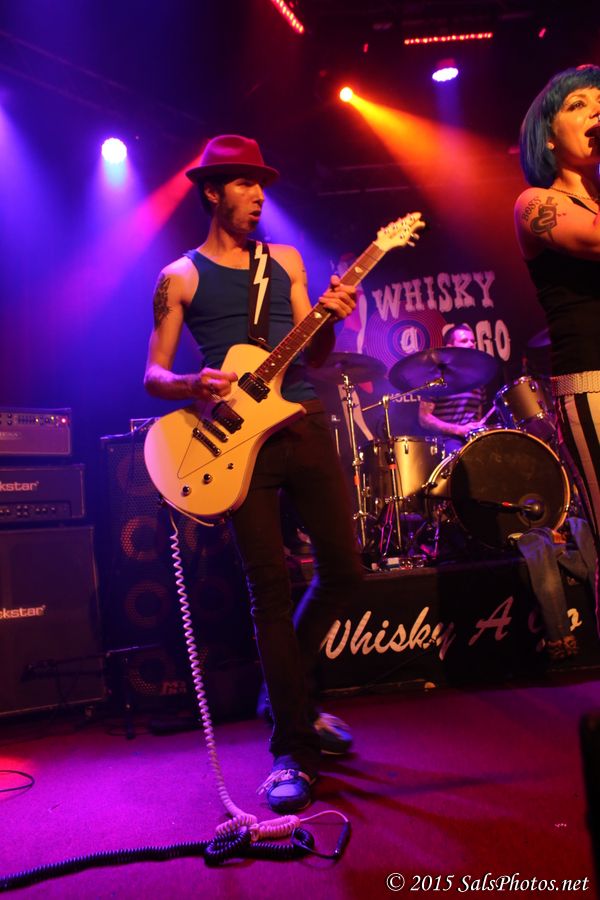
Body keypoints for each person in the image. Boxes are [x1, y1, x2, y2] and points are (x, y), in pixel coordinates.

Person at [143, 134, 365, 814]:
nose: (260, 195)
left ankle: (286, 693)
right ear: (213, 192)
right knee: (268, 590)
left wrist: (333, 317)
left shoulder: (287, 260)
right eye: (245, 183)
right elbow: (152, 375)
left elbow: (315, 354)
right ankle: (290, 747)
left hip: (301, 422)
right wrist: (193, 384)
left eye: (263, 184)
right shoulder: (180, 276)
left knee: (345, 572)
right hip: (238, 445)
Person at [514, 64, 600, 633]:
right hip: (594, 386)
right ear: (547, 135)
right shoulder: (533, 203)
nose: (596, 110)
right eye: (579, 104)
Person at [418, 323, 488, 454]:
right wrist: (459, 430)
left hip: (473, 439)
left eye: (472, 341)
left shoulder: (479, 378)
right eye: (464, 341)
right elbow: (424, 418)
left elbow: (477, 416)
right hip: (446, 441)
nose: (471, 344)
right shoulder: (437, 378)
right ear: (450, 347)